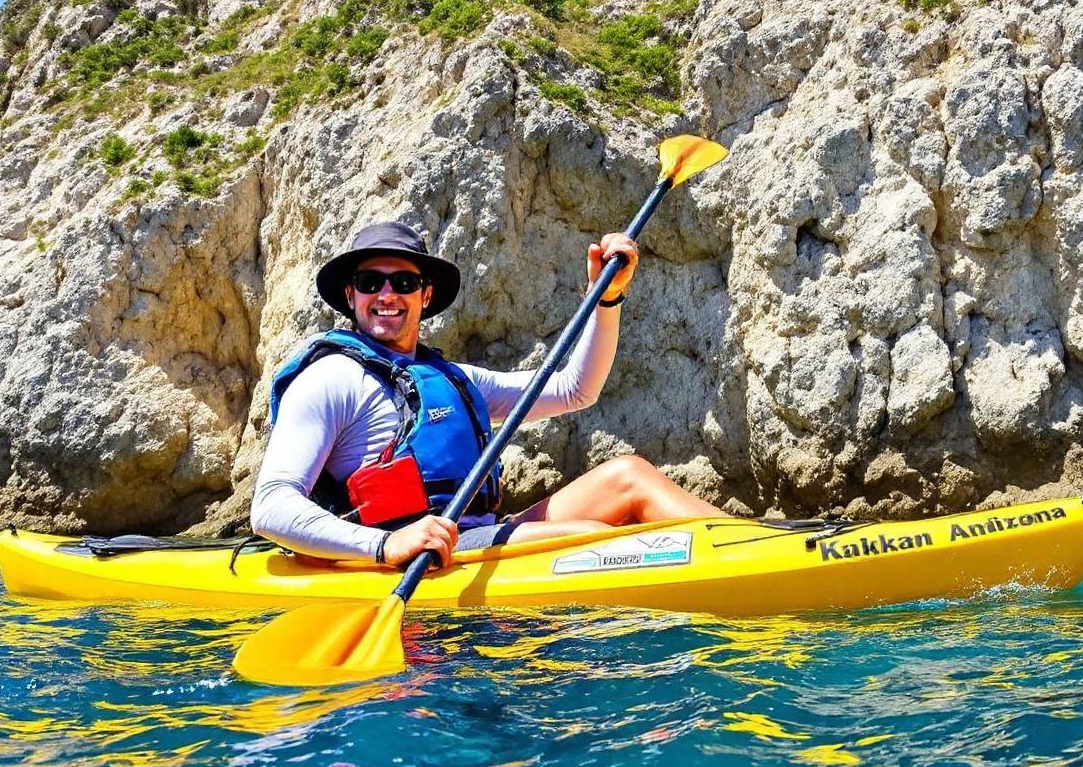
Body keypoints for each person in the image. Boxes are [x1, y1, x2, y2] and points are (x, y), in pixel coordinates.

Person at [250, 220, 728, 568]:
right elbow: (271, 505)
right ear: (351, 297)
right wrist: (384, 546)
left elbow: (575, 389)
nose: (387, 294)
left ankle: (751, 546)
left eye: (404, 282)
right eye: (370, 283)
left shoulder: (453, 378)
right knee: (592, 538)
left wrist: (605, 299)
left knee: (629, 476)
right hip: (406, 552)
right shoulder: (329, 378)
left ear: (426, 295)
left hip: (473, 534)